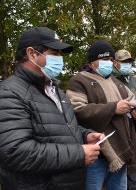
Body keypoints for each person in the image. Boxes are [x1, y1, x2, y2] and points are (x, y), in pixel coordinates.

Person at [0, 27, 104, 190]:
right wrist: (79, 154)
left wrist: (85, 135)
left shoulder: (56, 90)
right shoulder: (9, 92)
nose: (60, 59)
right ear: (32, 53)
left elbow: (60, 128)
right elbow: (15, 152)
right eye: (55, 53)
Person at [66, 40, 136, 190]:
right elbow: (77, 110)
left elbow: (133, 102)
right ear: (92, 61)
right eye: (104, 59)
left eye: (111, 60)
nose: (109, 63)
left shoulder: (116, 82)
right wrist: (113, 108)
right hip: (96, 153)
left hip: (120, 150)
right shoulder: (79, 81)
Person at [113, 49, 136, 190]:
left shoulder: (132, 78)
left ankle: (133, 183)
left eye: (129, 61)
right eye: (124, 62)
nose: (127, 64)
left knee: (135, 157)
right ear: (115, 63)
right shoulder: (111, 79)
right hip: (121, 127)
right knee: (123, 158)